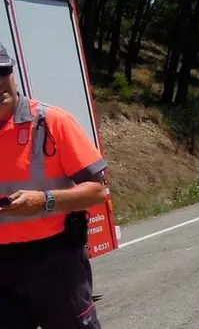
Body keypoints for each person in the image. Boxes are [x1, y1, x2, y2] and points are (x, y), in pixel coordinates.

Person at [0, 43, 107, 328]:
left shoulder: (51, 121)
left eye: (2, 73)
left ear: (12, 73)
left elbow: (98, 191)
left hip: (56, 262)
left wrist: (44, 201)